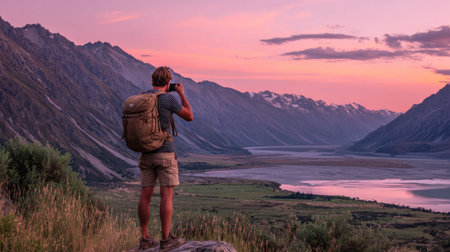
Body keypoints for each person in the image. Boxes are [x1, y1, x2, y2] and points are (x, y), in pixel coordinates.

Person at [137, 66, 193, 251]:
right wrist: (182, 94)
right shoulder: (168, 98)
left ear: (153, 81)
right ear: (168, 83)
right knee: (166, 196)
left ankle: (145, 238)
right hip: (164, 153)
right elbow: (189, 116)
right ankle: (165, 239)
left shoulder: (143, 97)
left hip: (146, 153)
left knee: (145, 195)